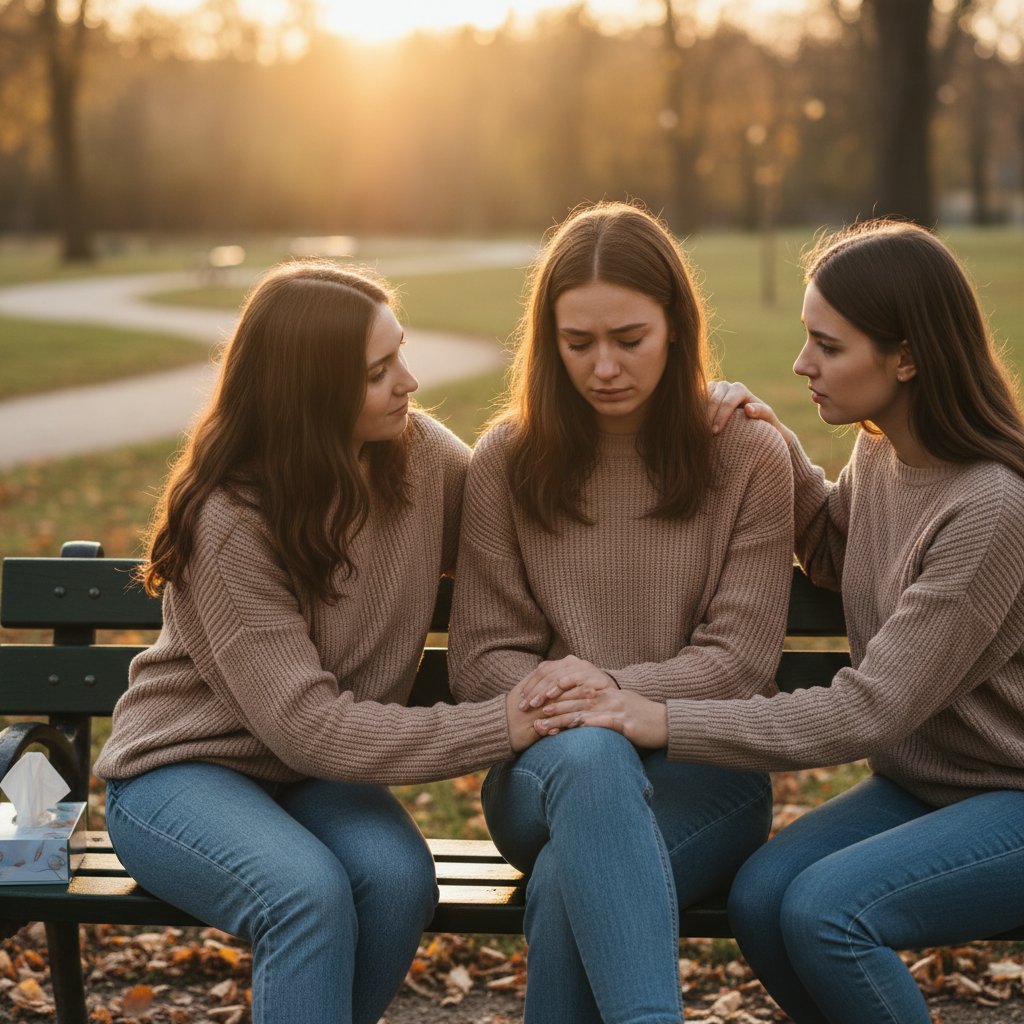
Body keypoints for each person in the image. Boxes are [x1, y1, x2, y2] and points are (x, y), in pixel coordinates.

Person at [534, 220, 1024, 1024]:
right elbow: (838, 551)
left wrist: (656, 717)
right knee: (763, 900)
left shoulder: (992, 507)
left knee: (826, 913)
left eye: (828, 347)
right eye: (806, 339)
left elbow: (869, 709)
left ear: (905, 357)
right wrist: (772, 443)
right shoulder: (884, 456)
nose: (803, 364)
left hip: (1008, 793)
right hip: (923, 785)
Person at [94, 260, 545, 1024]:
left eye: (400, 352)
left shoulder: (422, 456)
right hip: (182, 774)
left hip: (316, 779)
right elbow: (310, 727)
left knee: (398, 883)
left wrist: (700, 418)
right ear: (310, 393)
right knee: (305, 896)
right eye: (377, 371)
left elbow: (538, 525)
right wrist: (500, 722)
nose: (407, 380)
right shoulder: (230, 519)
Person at [449, 201, 795, 1024]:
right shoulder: (506, 460)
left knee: (573, 884)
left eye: (628, 339)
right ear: (549, 341)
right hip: (540, 777)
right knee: (593, 766)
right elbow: (482, 658)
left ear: (676, 325)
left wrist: (606, 690)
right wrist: (587, 714)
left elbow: (740, 659)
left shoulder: (745, 454)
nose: (604, 367)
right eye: (578, 344)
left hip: (706, 776)